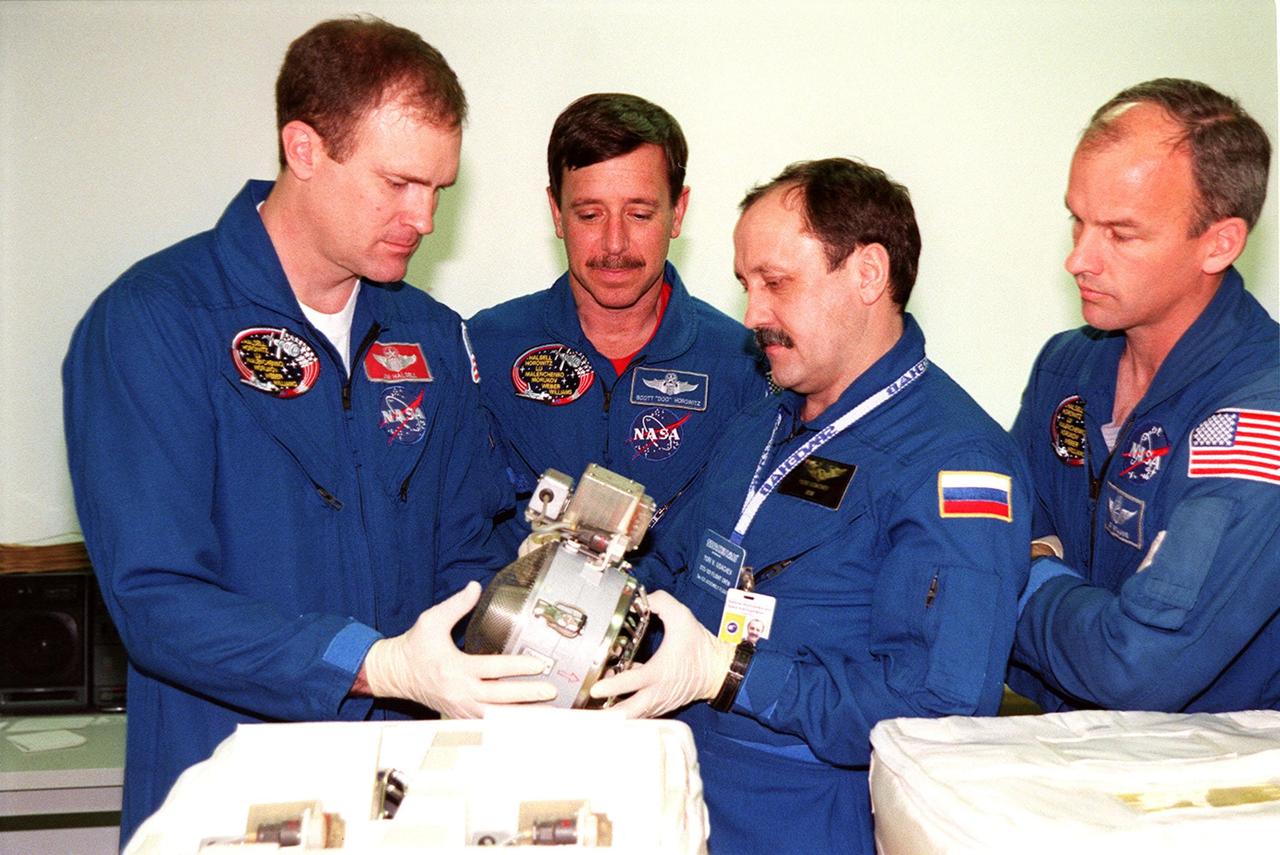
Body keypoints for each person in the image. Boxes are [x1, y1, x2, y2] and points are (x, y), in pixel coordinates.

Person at [62, 17, 552, 845]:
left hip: (407, 794)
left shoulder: (428, 336)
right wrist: (373, 662)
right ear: (304, 148)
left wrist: (542, 630)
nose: (424, 217)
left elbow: (468, 549)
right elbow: (156, 601)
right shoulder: (157, 322)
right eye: (398, 183)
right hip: (228, 792)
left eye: (439, 188)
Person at [590, 158, 1030, 854]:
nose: (752, 315)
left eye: (776, 283)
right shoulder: (764, 418)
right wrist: (595, 601)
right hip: (687, 784)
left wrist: (729, 672)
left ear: (867, 274)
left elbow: (935, 711)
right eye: (745, 284)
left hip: (813, 813)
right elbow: (680, 565)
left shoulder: (955, 463)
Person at [1009, 78, 1279, 713]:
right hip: (1057, 754)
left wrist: (1031, 572)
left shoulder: (1261, 412)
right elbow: (983, 544)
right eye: (1077, 221)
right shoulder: (1067, 365)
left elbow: (1138, 664)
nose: (1079, 258)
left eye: (1120, 235)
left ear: (1220, 243)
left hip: (1202, 788)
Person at [466, 94, 767, 552]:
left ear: (677, 212)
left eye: (639, 214)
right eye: (589, 214)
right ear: (556, 213)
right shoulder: (485, 348)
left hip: (674, 623)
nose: (614, 244)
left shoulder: (743, 367)